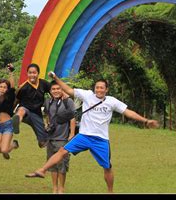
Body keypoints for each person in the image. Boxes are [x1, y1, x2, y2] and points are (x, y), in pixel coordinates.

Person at [25, 72, 160, 193]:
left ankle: (110, 191)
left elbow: (128, 112)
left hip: (101, 139)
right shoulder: (88, 95)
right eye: (97, 87)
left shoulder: (112, 101)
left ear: (106, 89)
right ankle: (42, 170)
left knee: (107, 167)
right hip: (84, 136)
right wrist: (55, 78)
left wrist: (145, 121)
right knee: (62, 151)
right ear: (94, 88)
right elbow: (67, 90)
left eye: (102, 88)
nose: (99, 90)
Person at [42, 80, 76, 194]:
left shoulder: (68, 101)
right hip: (51, 138)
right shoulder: (48, 102)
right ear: (50, 91)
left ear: (62, 89)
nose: (56, 91)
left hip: (63, 138)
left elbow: (72, 118)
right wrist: (47, 125)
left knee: (62, 164)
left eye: (58, 89)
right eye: (53, 89)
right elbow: (47, 114)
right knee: (52, 164)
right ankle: (54, 188)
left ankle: (61, 188)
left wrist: (71, 134)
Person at [12, 63, 51, 148]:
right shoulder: (23, 87)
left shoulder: (43, 83)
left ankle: (42, 140)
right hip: (26, 112)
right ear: (27, 74)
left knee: (43, 142)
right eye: (30, 73)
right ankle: (17, 122)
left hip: (37, 114)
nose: (32, 75)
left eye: (34, 73)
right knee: (22, 110)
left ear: (38, 73)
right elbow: (16, 100)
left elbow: (53, 91)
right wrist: (10, 112)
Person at [0, 63, 20, 160]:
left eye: (4, 87)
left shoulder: (9, 97)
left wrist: (11, 72)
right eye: (1, 87)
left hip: (7, 125)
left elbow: (12, 87)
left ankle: (12, 145)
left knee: (4, 150)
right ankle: (12, 146)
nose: (2, 89)